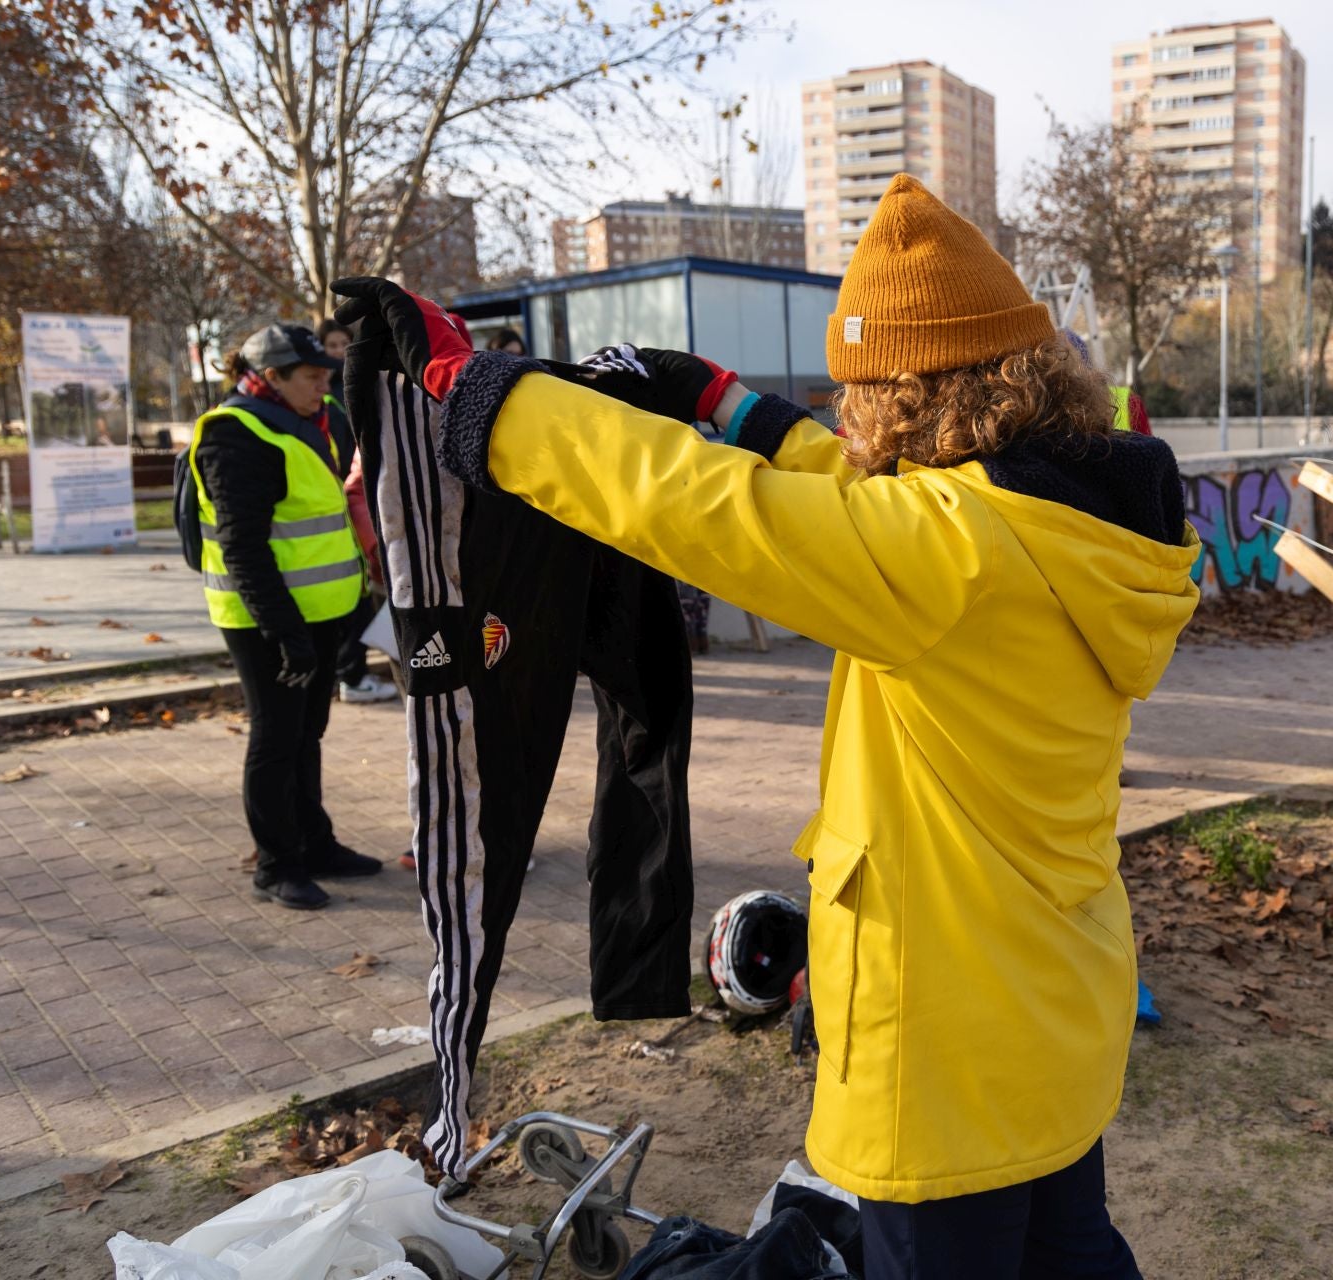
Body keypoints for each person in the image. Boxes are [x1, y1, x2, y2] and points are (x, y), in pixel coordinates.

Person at [336, 172, 1195, 1279]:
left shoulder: (949, 555)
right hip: (1051, 1014)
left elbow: (701, 507)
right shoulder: (1058, 524)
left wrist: (482, 392)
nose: (845, 419)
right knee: (1069, 1252)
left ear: (914, 393)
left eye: (859, 393)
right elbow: (840, 498)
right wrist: (723, 399)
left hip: (949, 1058)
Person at [189, 323, 383, 910]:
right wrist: (284, 632)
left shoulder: (310, 419)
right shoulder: (235, 435)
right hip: (266, 621)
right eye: (312, 376)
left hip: (319, 615)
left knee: (306, 736)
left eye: (327, 375)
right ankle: (277, 865)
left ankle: (315, 845)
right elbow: (244, 548)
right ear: (270, 377)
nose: (325, 386)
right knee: (275, 741)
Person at [318, 318, 398, 705]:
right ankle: (352, 673)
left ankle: (353, 672)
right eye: (330, 345)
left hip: (368, 535)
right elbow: (355, 486)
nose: (337, 353)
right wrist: (373, 545)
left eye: (342, 344)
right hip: (363, 537)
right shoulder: (336, 399)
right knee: (361, 611)